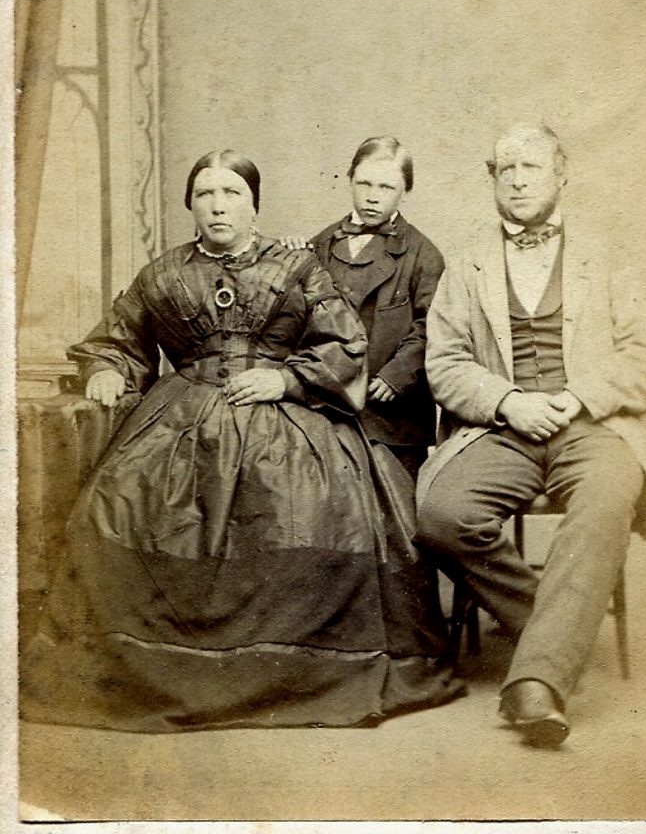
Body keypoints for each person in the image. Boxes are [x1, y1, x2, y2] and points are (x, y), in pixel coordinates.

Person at [22, 149, 462, 733]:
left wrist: (283, 377)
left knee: (313, 505)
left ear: (254, 206)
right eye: (206, 194)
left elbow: (345, 341)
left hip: (281, 410)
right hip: (179, 419)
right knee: (119, 502)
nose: (218, 205)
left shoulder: (299, 269)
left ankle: (293, 666)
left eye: (232, 194)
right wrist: (108, 368)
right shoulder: (165, 272)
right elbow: (120, 337)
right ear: (191, 205)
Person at [415, 123, 646, 747]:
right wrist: (507, 400)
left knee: (608, 497)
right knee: (442, 513)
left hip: (593, 425)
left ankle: (537, 684)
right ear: (492, 180)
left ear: (562, 173)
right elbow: (444, 364)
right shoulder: (468, 263)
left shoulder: (605, 256)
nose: (519, 179)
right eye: (507, 169)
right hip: (503, 431)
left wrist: (577, 396)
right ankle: (557, 632)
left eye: (531, 167)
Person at [308, 136, 444, 483]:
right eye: (364, 183)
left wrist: (397, 375)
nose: (372, 195)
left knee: (393, 517)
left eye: (386, 186)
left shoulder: (423, 255)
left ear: (404, 191)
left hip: (392, 418)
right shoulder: (320, 245)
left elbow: (433, 326)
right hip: (328, 407)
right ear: (349, 179)